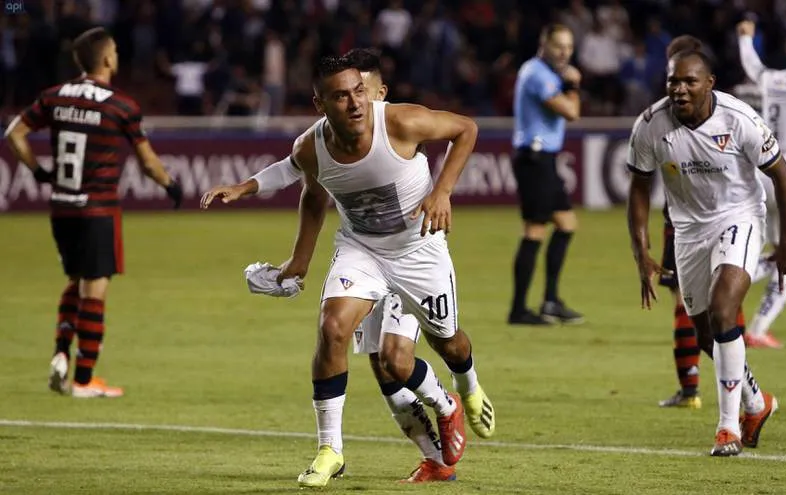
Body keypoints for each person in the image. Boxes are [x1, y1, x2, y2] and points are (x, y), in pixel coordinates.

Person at [202, 51, 494, 485]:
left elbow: (466, 129)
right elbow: (304, 183)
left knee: (448, 343)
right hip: (363, 250)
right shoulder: (312, 147)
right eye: (341, 96)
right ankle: (330, 450)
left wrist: (443, 192)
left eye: (359, 91)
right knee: (333, 327)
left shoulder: (399, 122)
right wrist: (255, 203)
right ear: (321, 105)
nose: (355, 103)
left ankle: (465, 390)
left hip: (419, 251)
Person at [3, 27, 183, 398]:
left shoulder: (54, 96)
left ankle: (60, 355)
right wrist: (170, 185)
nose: (117, 55)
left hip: (61, 207)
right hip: (98, 209)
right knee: (95, 291)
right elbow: (147, 162)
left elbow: (14, 134)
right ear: (106, 58)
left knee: (75, 281)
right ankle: (84, 379)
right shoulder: (120, 104)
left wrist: (38, 172)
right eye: (115, 50)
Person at [627, 49, 786, 455]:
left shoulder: (739, 120)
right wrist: (641, 251)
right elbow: (639, 189)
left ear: (709, 84)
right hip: (688, 231)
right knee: (705, 334)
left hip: (741, 217)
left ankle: (728, 428)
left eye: (689, 82)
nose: (679, 90)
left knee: (722, 310)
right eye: (673, 82)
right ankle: (756, 402)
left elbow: (782, 176)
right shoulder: (649, 126)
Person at [656, 35, 751, 409]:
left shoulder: (721, 116)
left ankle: (693, 388)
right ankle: (738, 391)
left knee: (691, 303)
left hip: (693, 221)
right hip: (696, 219)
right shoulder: (676, 110)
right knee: (724, 305)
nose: (676, 80)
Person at [508, 23, 583, 326]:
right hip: (534, 158)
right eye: (559, 46)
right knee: (535, 229)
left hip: (544, 159)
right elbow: (571, 112)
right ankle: (518, 310)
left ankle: (551, 301)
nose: (564, 52)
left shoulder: (548, 74)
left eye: (569, 47)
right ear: (544, 44)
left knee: (566, 224)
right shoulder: (537, 73)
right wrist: (574, 86)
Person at [736, 20, 786, 349]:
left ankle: (731, 273)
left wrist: (745, 38)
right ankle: (758, 328)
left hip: (764, 173)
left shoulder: (772, 78)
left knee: (779, 252)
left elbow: (752, 66)